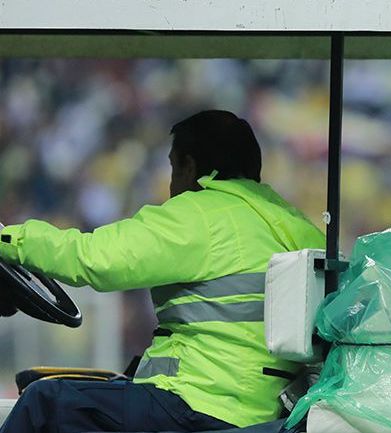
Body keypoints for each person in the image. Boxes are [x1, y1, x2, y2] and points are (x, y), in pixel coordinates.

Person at [0, 110, 326, 432]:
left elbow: (94, 259)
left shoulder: (199, 214)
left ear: (190, 165)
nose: (171, 184)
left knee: (45, 401)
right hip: (264, 411)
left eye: (173, 167)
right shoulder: (300, 227)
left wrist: (8, 240)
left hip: (196, 404)